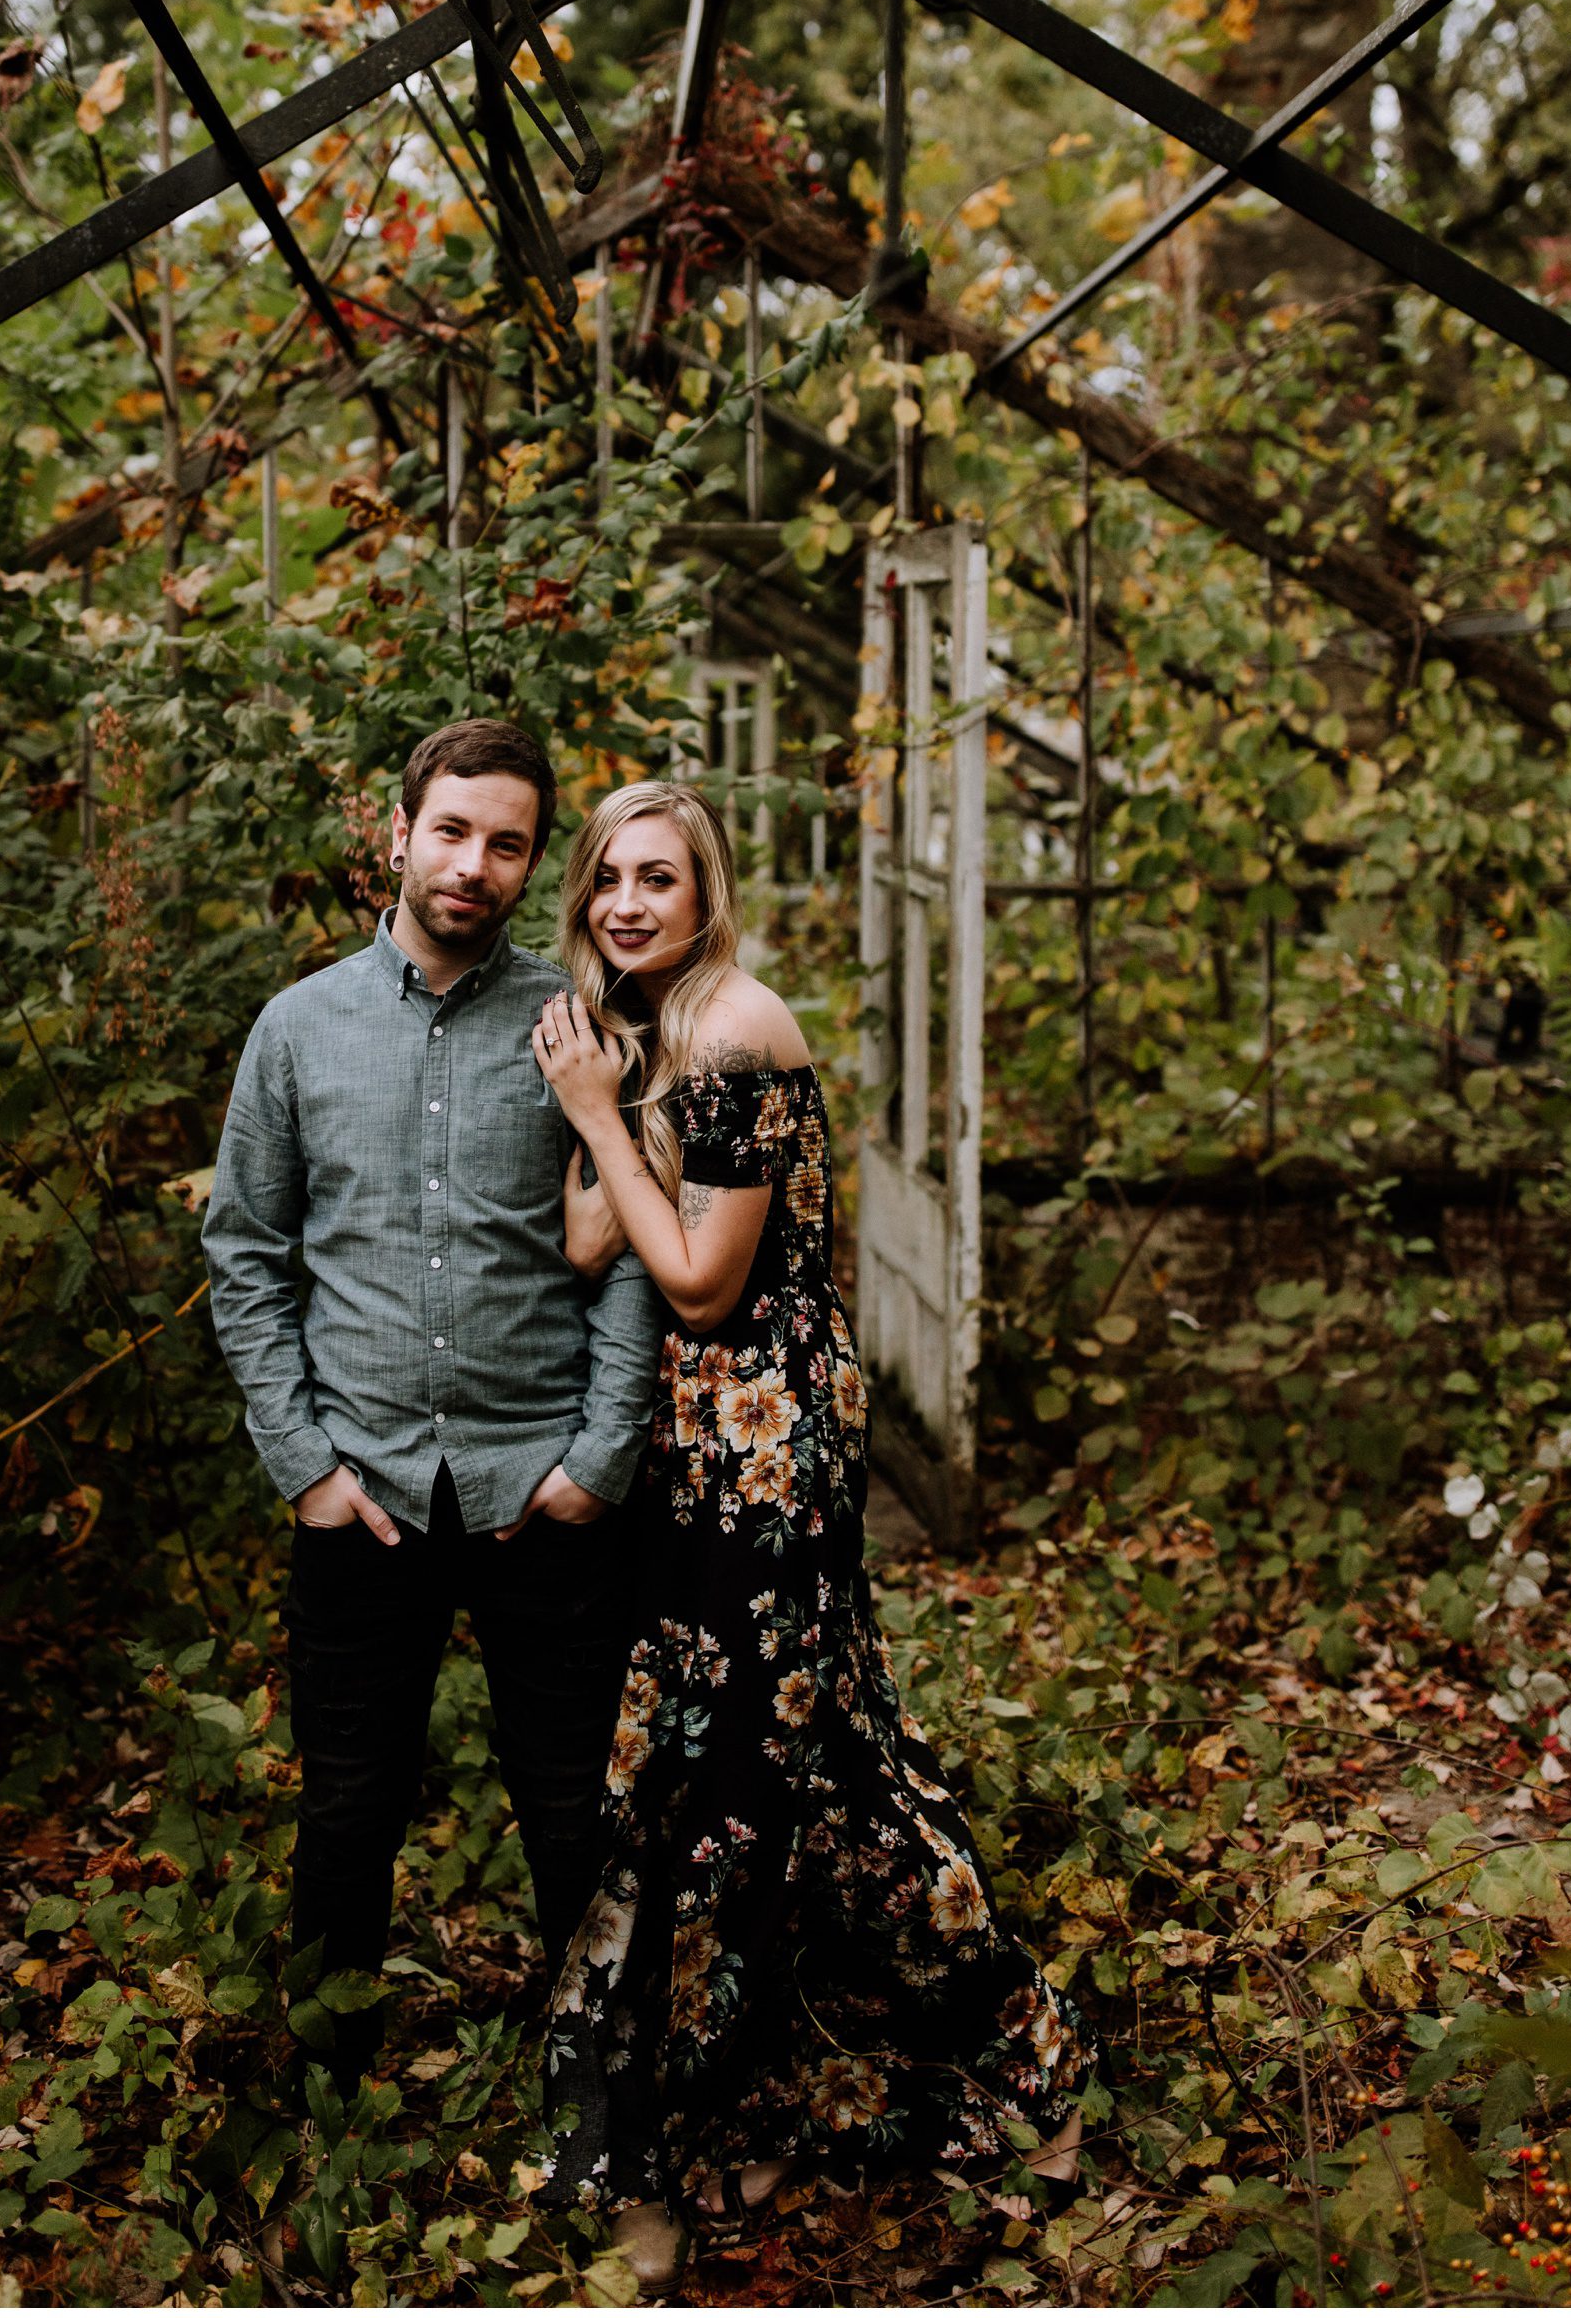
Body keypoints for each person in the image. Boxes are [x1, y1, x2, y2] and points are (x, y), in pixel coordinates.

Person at [529, 779, 1093, 2285]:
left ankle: (977, 2025)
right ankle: (741, 2057)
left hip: (770, 1435)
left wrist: (597, 1110)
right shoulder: (657, 1032)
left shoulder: (738, 1028)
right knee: (752, 1738)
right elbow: (593, 1240)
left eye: (660, 878)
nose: (629, 904)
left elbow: (703, 1284)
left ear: (709, 892)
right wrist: (602, 1088)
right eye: (605, 884)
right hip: (700, 1442)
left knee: (785, 1748)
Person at [201, 719, 664, 2065]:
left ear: (532, 868)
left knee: (575, 1806)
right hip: (365, 1488)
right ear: (397, 835)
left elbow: (628, 1245)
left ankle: (603, 2077)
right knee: (350, 1806)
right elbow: (244, 1253)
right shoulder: (296, 1032)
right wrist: (305, 1462)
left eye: (507, 842)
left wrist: (599, 1459)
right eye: (452, 831)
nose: (474, 863)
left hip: (547, 1487)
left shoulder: (578, 1031)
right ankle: (329, 2082)